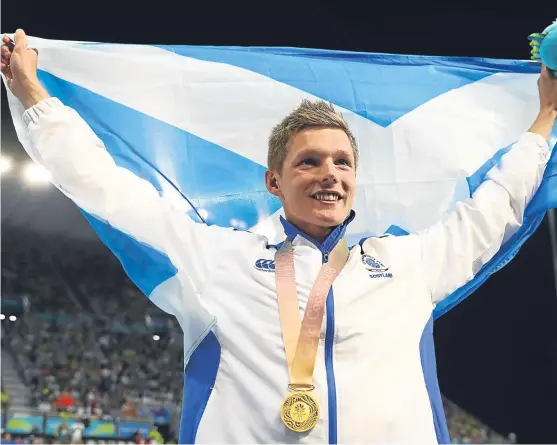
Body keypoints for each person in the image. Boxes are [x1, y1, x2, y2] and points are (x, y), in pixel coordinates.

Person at [2, 29, 556, 444]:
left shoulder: (408, 264)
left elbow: (496, 206)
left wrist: (545, 117)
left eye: (342, 162)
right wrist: (34, 95)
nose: (329, 173)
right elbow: (105, 188)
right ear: (274, 181)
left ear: (355, 183)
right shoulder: (218, 258)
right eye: (308, 161)